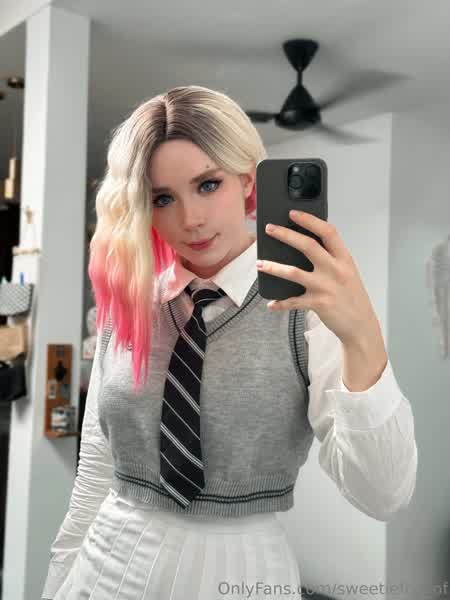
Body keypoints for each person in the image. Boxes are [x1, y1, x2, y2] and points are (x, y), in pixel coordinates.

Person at [41, 85, 417, 599]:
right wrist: (57, 583)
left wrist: (363, 335)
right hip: (105, 568)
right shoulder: (129, 301)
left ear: (247, 182)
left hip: (241, 574)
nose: (190, 219)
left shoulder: (307, 309)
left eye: (208, 184)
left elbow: (384, 495)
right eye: (162, 198)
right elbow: (96, 469)